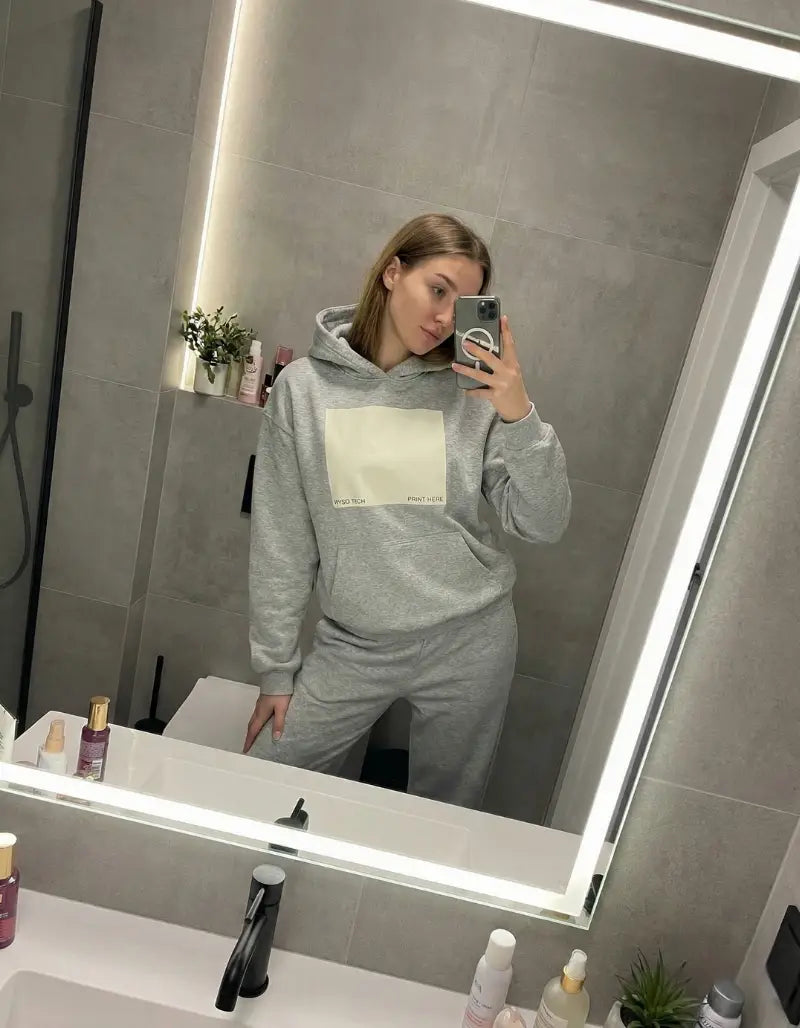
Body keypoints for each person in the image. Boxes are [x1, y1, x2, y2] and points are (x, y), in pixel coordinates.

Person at [244, 213, 570, 809]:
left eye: (462, 303)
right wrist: (275, 670)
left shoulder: (475, 393)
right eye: (437, 289)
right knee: (263, 783)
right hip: (356, 643)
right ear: (393, 272)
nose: (445, 317)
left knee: (442, 815)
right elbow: (282, 541)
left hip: (469, 640)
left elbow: (543, 523)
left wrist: (520, 412)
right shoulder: (303, 389)